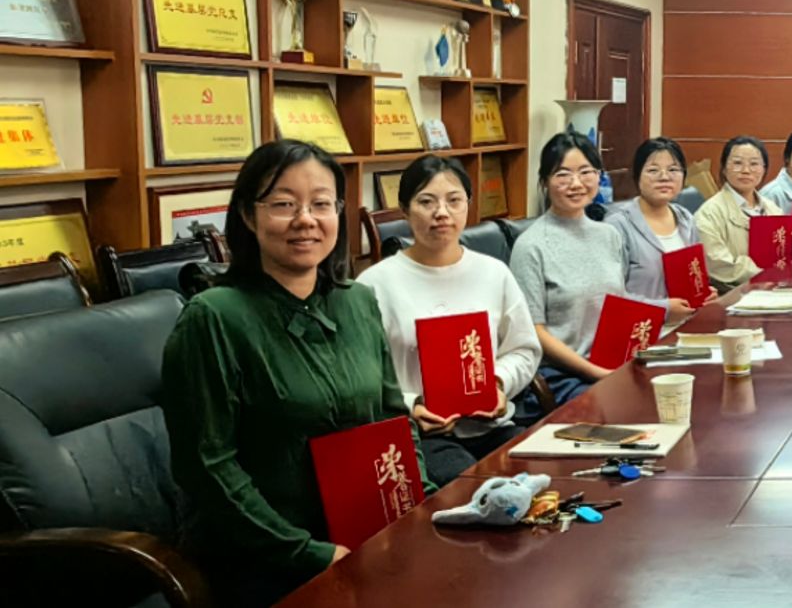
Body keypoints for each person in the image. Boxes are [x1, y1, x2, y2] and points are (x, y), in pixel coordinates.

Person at [161, 140, 430, 607]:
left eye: (321, 204)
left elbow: (392, 417)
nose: (306, 219)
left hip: (363, 534)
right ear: (249, 216)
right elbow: (207, 467)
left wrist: (419, 505)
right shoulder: (213, 318)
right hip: (264, 556)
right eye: (284, 204)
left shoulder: (357, 301)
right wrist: (309, 553)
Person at [358, 154, 543, 485]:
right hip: (421, 435)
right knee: (474, 489)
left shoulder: (494, 273)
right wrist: (410, 405)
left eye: (454, 200)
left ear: (468, 205)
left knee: (540, 478)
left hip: (491, 425)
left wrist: (498, 384)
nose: (441, 212)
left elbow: (524, 349)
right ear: (405, 209)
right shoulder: (374, 284)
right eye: (426, 201)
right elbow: (362, 375)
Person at [509, 132, 631, 410]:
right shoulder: (530, 246)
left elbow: (619, 306)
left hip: (611, 362)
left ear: (599, 176)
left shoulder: (609, 235)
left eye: (586, 172)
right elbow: (534, 332)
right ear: (544, 182)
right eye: (563, 175)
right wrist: (596, 372)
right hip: (562, 375)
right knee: (625, 407)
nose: (576, 183)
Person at [696, 135, 792, 289]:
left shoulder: (771, 208)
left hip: (773, 288)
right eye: (737, 163)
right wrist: (767, 275)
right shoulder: (709, 213)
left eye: (754, 164)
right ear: (724, 169)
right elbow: (719, 264)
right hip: (735, 294)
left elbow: (782, 253)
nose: (746, 171)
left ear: (764, 169)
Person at [607, 137, 704, 314]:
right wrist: (665, 309)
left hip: (685, 324)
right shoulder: (617, 226)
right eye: (653, 170)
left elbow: (694, 276)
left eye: (673, 170)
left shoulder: (686, 219)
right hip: (641, 327)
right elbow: (610, 296)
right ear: (637, 176)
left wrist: (703, 292)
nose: (664, 177)